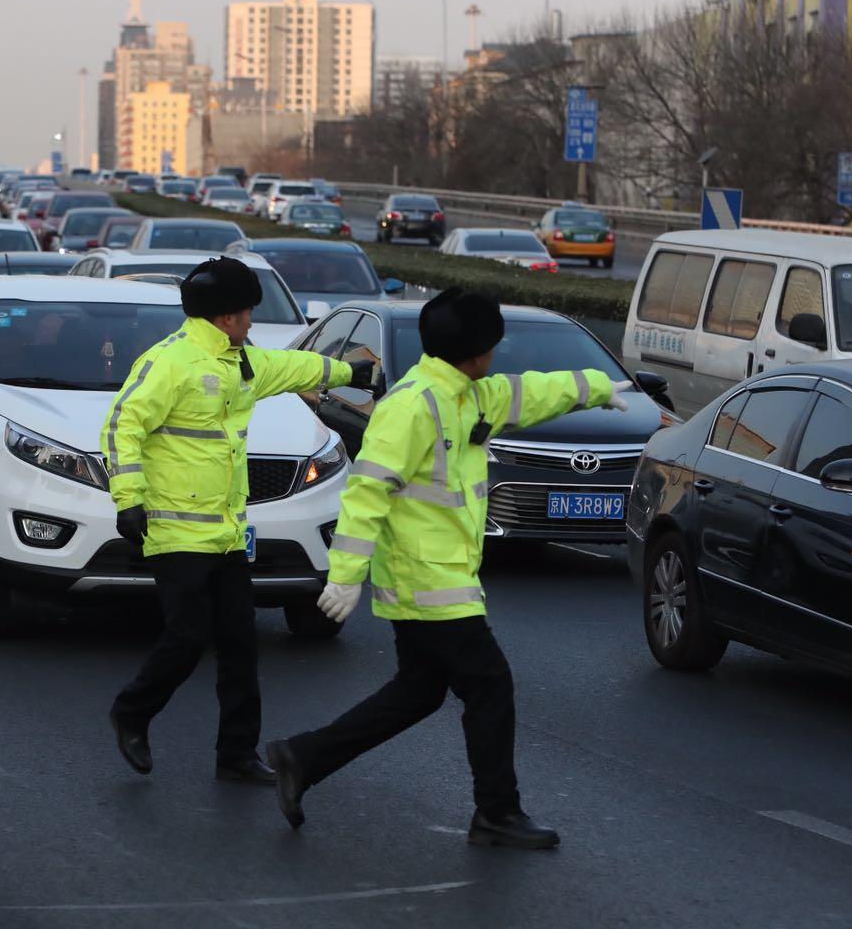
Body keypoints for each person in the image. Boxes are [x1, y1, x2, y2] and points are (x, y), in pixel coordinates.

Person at [265, 287, 629, 849]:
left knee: (419, 691)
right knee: (490, 685)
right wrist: (346, 574)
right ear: (478, 351)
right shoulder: (413, 406)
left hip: (443, 575)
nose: (497, 357)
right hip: (426, 580)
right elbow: (366, 492)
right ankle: (497, 814)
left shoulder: (466, 394)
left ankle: (303, 757)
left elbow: (528, 393)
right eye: (494, 345)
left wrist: (598, 387)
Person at [104, 256, 374, 783]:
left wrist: (348, 372)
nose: (252, 321)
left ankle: (235, 754)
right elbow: (122, 426)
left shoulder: (238, 360)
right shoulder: (171, 363)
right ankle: (132, 713)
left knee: (239, 644)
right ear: (226, 316)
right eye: (248, 311)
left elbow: (289, 367)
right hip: (176, 530)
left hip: (227, 534)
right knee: (187, 637)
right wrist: (127, 499)